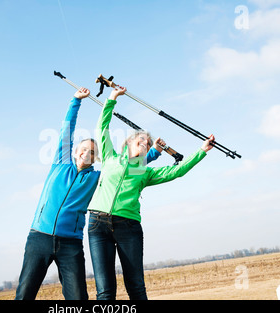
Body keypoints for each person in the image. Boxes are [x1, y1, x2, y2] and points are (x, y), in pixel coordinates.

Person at [15, 87, 163, 300]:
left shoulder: (96, 178)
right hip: (39, 236)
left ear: (96, 158)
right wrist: (76, 101)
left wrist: (153, 153)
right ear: (76, 151)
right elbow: (67, 130)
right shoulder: (60, 163)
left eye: (93, 152)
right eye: (83, 149)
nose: (87, 153)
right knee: (25, 293)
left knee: (78, 298)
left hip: (70, 243)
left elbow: (126, 171)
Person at [87, 86, 215, 300]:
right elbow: (102, 126)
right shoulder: (110, 157)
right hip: (98, 224)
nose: (145, 144)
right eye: (141, 141)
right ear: (128, 143)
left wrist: (202, 151)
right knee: (105, 292)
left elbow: (177, 171)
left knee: (136, 287)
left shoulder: (143, 171)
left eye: (147, 144)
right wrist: (112, 98)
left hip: (128, 226)